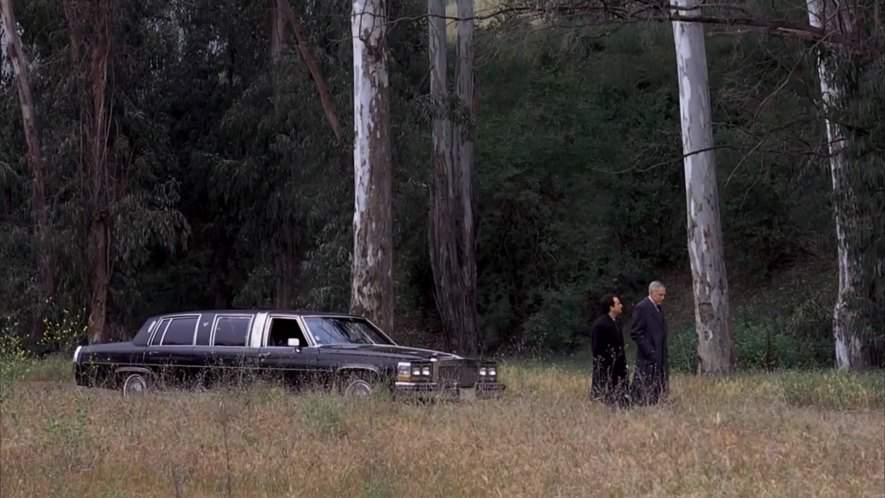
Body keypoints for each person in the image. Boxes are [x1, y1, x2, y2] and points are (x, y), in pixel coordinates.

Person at [630, 281, 669, 405]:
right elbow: (636, 332)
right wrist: (649, 351)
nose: (663, 298)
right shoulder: (642, 307)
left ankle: (656, 402)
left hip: (659, 352)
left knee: (658, 381)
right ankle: (640, 403)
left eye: (664, 295)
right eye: (660, 295)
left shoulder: (658, 307)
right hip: (647, 356)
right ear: (652, 293)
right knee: (644, 383)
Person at [589, 294, 628, 406]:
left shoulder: (617, 322)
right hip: (605, 367)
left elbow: (620, 345)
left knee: (621, 398)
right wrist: (607, 363)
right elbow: (596, 349)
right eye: (618, 304)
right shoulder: (600, 325)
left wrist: (623, 364)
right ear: (611, 307)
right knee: (604, 398)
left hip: (619, 366)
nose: (621, 306)